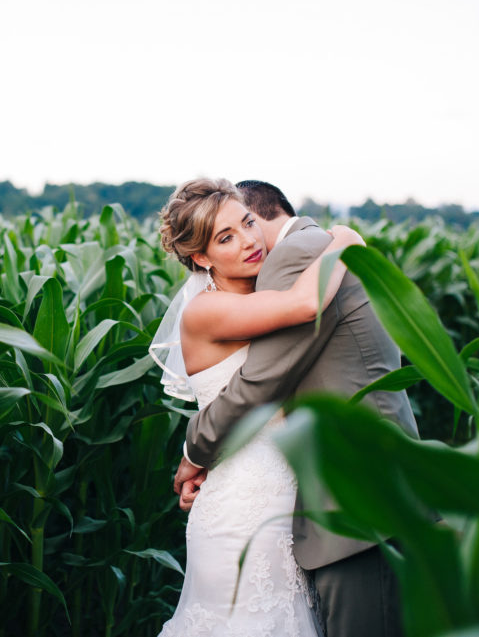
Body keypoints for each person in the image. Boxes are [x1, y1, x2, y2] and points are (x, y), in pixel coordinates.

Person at [173, 179, 421, 637]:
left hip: (287, 499)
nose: (247, 240)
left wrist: (198, 454)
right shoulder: (207, 311)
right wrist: (344, 237)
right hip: (244, 504)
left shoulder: (263, 294)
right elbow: (302, 308)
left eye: (247, 223)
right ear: (202, 258)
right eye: (226, 237)